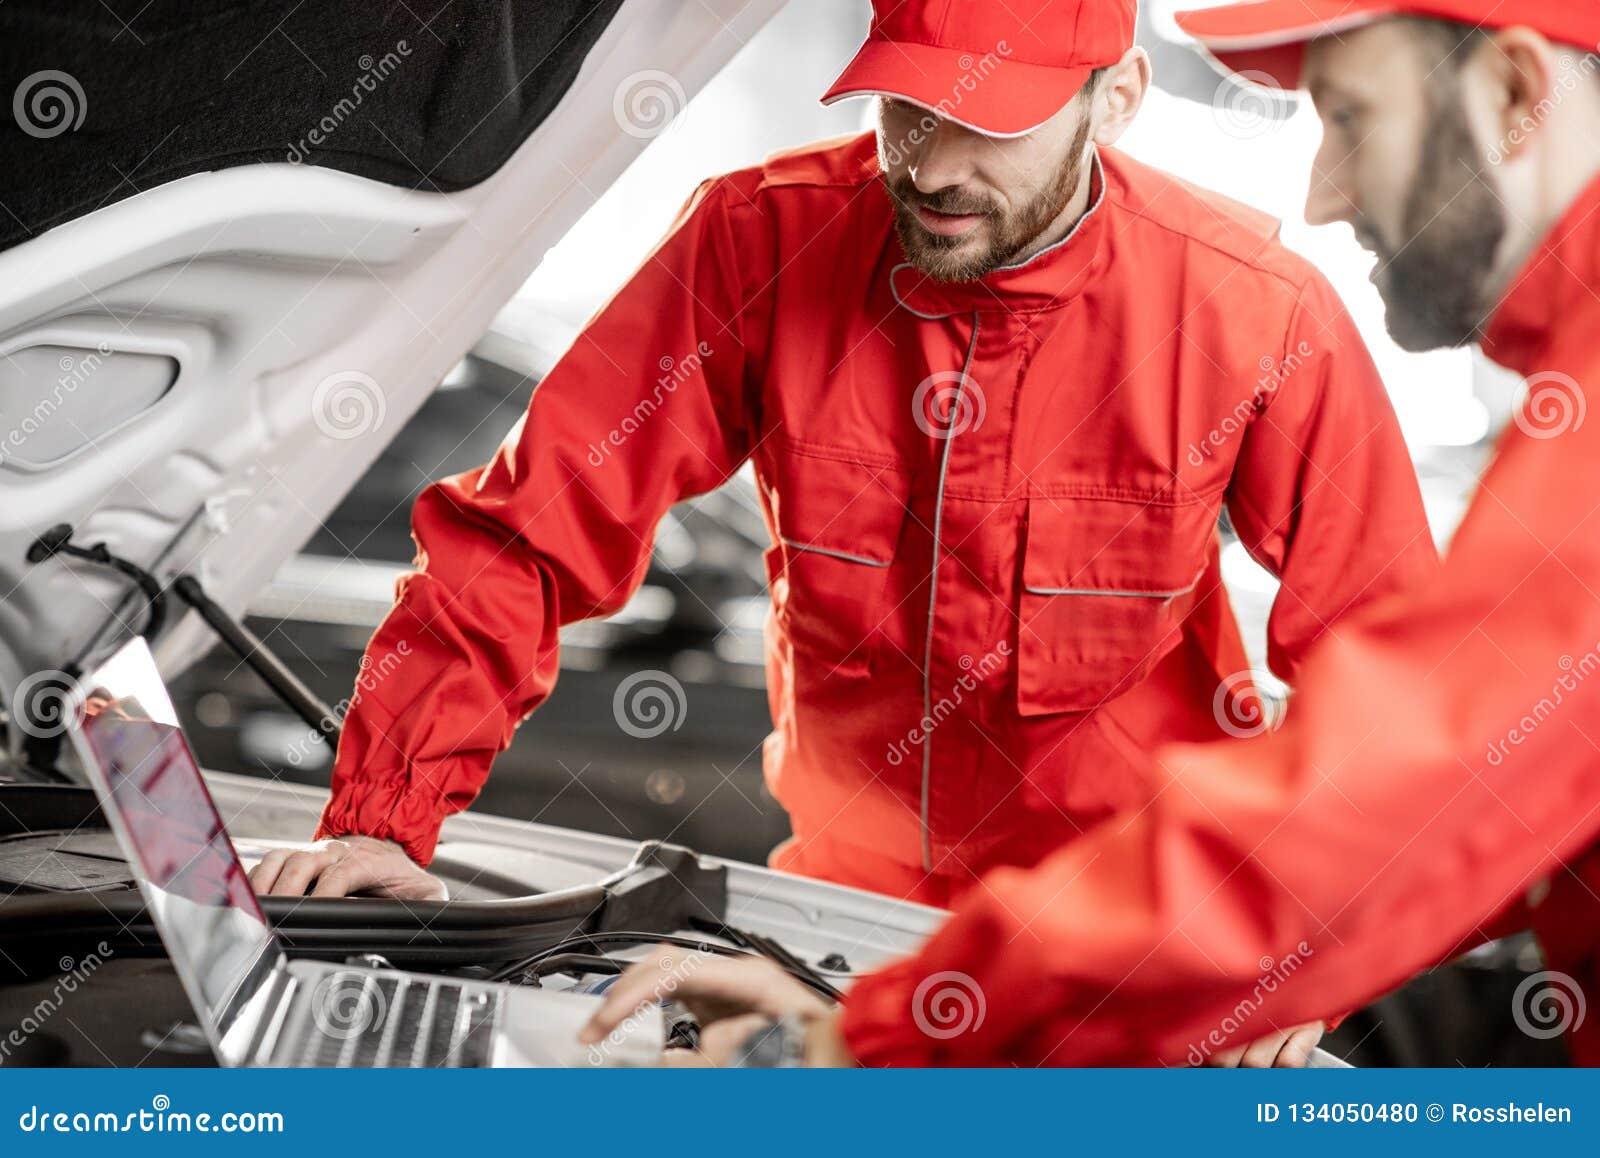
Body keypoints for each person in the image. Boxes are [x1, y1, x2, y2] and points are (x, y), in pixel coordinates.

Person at [253, 0, 1432, 962]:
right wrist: (381, 824)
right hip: (844, 929)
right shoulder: (756, 246)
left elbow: (1387, 658)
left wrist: (1320, 937)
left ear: (1112, 103)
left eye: (995, 123)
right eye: (906, 110)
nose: (934, 166)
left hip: (1134, 948)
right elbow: (525, 535)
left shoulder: (1251, 312)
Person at [581, 0, 1600, 1069]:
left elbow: (1399, 786)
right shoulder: (770, 241)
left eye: (1348, 117)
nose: (1322, 194)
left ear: (1516, 94)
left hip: (1097, 998)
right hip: (886, 931)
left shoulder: (1271, 318)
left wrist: (869, 1037)